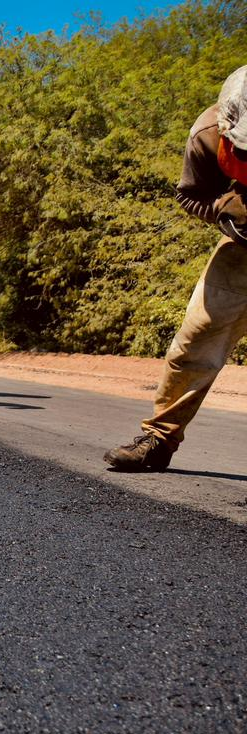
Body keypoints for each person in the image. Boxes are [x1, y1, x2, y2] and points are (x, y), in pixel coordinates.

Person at [105, 66, 247, 472]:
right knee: (197, 336)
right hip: (243, 246)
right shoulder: (207, 136)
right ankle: (159, 439)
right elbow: (190, 197)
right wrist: (224, 210)